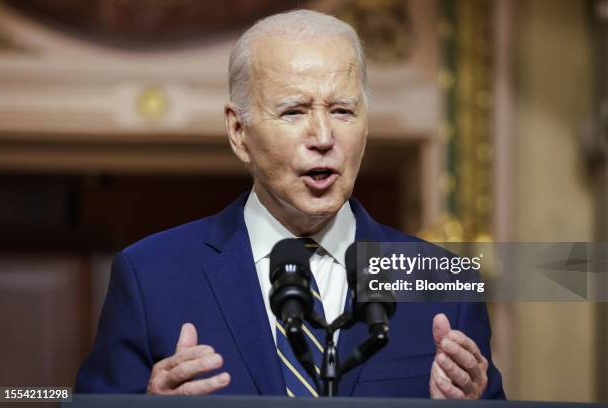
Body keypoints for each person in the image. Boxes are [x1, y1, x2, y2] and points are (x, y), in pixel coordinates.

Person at [76, 9, 505, 399]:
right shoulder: (150, 276)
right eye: (294, 112)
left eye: (342, 111)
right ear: (238, 132)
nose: (322, 137)